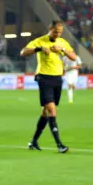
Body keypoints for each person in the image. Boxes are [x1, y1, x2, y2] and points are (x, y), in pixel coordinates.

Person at [20, 20, 78, 153]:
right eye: (56, 31)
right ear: (50, 28)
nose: (58, 34)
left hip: (57, 79)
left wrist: (62, 49)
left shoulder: (62, 42)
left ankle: (33, 142)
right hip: (44, 77)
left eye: (60, 32)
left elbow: (74, 57)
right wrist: (39, 49)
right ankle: (59, 145)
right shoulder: (40, 41)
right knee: (52, 111)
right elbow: (23, 52)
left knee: (45, 112)